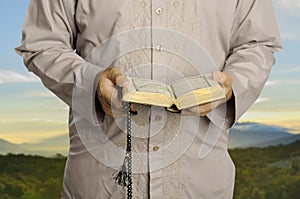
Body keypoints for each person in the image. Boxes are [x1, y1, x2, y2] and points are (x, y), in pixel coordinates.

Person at [15, 0, 281, 198]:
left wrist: (231, 85)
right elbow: (42, 42)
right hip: (99, 182)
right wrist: (91, 84)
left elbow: (258, 43)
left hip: (201, 181)